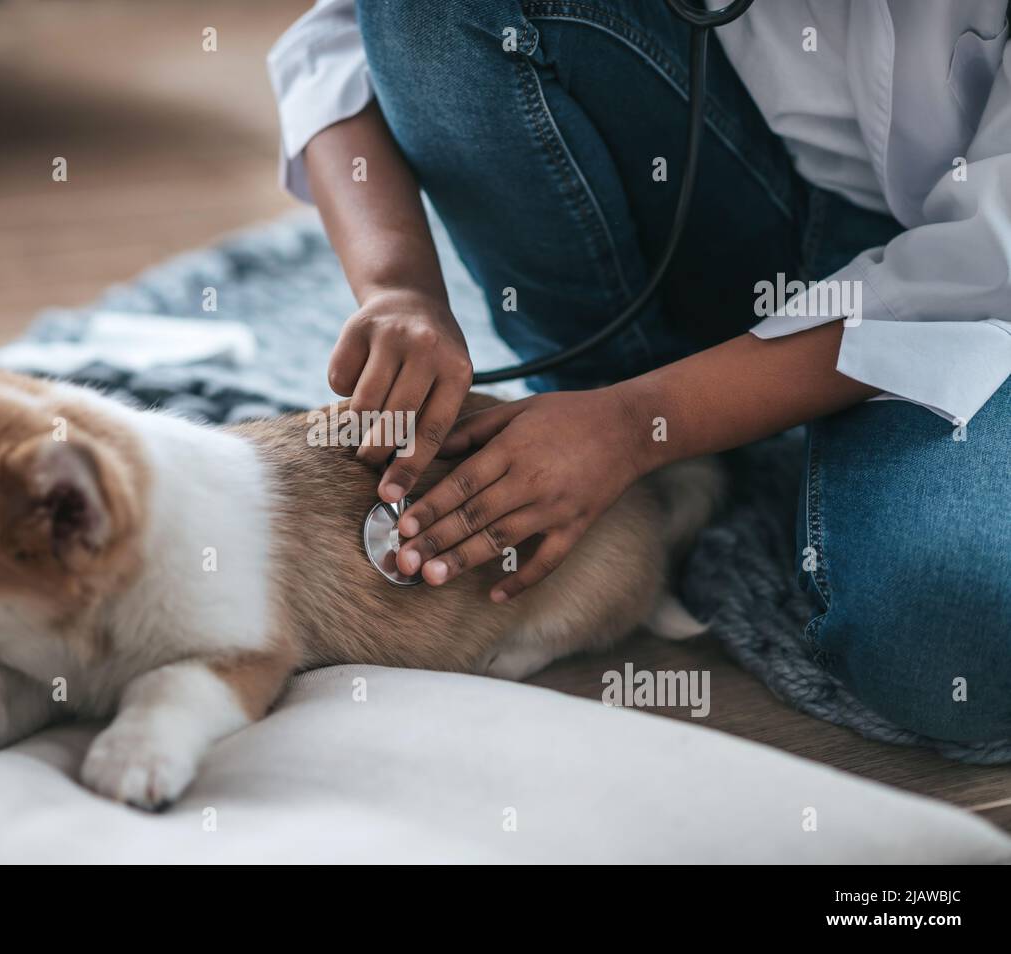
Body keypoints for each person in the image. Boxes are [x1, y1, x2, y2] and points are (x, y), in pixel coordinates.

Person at [266, 0, 1011, 744]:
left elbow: (982, 265)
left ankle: (658, 438)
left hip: (983, 309)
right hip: (760, 184)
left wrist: (641, 425)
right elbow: (343, 37)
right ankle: (619, 433)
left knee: (951, 647)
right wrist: (399, 285)